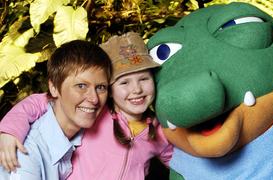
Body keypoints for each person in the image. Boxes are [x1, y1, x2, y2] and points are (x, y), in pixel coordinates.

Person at [0, 32, 173, 180]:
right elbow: (40, 101)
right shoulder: (99, 115)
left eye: (144, 79)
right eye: (124, 82)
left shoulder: (159, 131)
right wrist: (9, 130)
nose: (136, 89)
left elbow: (181, 163)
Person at [0, 40, 112, 179]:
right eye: (81, 86)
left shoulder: (81, 131)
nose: (94, 99)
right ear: (54, 88)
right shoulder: (28, 152)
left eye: (101, 87)